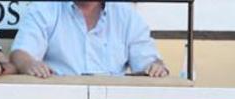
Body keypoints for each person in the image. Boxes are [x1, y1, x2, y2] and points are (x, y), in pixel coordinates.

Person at [10, 1, 168, 78]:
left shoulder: (126, 14)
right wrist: (29, 64)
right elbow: (21, 54)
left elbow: (147, 64)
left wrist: (155, 67)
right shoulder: (44, 8)